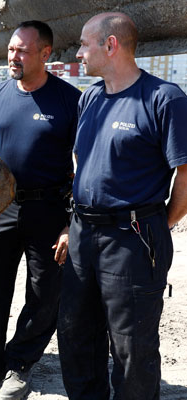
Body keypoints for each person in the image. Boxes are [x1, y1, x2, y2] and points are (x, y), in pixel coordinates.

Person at [58, 12, 187, 400]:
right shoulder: (91, 98)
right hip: (83, 233)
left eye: (84, 44)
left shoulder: (164, 98)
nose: (79, 52)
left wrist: (157, 223)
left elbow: (185, 176)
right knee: (75, 334)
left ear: (110, 45)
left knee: (131, 347)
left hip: (133, 237)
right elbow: (86, 167)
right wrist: (71, 225)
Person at [0, 21, 80, 399]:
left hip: (49, 209)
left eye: (22, 51)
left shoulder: (69, 101)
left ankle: (19, 365)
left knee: (45, 293)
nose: (13, 56)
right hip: (0, 209)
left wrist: (70, 224)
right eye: (11, 49)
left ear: (45, 54)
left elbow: (85, 164)